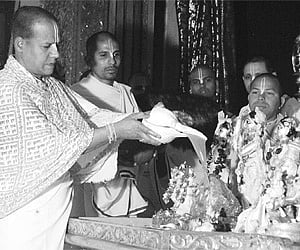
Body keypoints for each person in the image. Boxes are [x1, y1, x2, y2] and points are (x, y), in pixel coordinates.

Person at [0, 6, 161, 250]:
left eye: (57, 45)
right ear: (20, 44)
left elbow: (90, 117)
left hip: (54, 214)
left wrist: (144, 118)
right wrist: (117, 130)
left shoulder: (50, 86)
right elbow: (54, 147)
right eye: (47, 46)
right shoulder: (10, 88)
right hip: (24, 217)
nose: (56, 54)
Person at [72, 31, 148, 217]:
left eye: (116, 55)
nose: (112, 62)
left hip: (127, 179)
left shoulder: (125, 92)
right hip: (92, 181)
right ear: (89, 59)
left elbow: (141, 136)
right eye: (104, 55)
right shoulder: (76, 94)